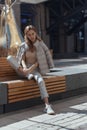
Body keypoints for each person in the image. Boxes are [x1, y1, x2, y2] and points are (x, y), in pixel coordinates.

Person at [7, 25, 55, 115]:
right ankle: (27, 75)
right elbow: (21, 59)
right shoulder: (24, 45)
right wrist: (24, 68)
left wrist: (29, 70)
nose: (31, 36)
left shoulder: (40, 44)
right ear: (26, 35)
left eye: (33, 34)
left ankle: (47, 106)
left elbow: (39, 61)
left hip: (34, 70)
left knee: (40, 80)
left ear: (35, 33)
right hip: (22, 70)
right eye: (29, 35)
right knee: (9, 58)